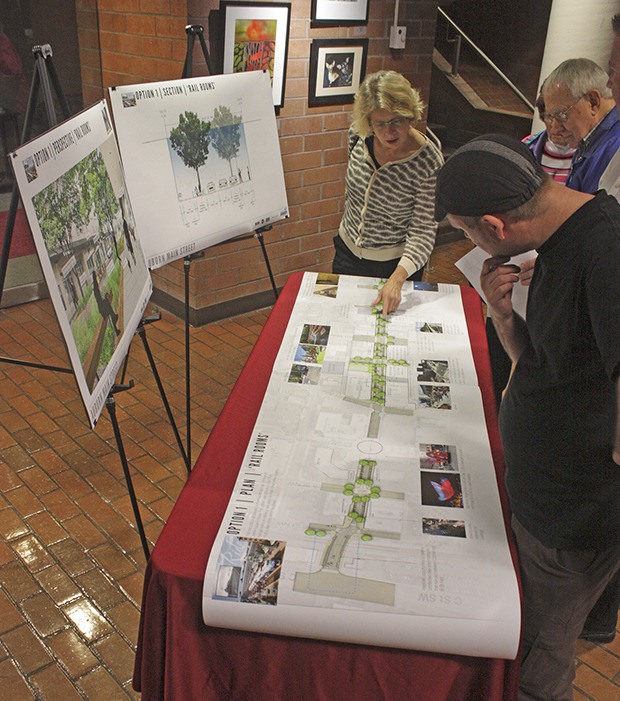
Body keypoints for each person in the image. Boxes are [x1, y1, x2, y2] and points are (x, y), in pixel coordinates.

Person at [434, 133, 620, 701]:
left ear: (494, 226)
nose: (471, 244)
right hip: (541, 497)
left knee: (537, 664)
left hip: (572, 517)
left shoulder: (607, 249)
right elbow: (543, 365)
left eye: (466, 233)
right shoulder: (563, 234)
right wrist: (501, 314)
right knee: (523, 638)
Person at [332, 70, 444, 315]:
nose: (388, 132)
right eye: (380, 123)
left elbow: (423, 232)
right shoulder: (359, 135)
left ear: (410, 116)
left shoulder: (428, 162)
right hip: (347, 253)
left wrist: (397, 279)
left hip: (395, 267)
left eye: (397, 121)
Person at [540, 57, 620, 193]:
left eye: (561, 115)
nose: (555, 128)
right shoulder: (589, 140)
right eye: (550, 117)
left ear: (593, 102)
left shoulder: (614, 146)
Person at [522, 94, 576, 184]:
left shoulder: (589, 155)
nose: (555, 127)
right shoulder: (527, 146)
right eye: (549, 116)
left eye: (562, 117)